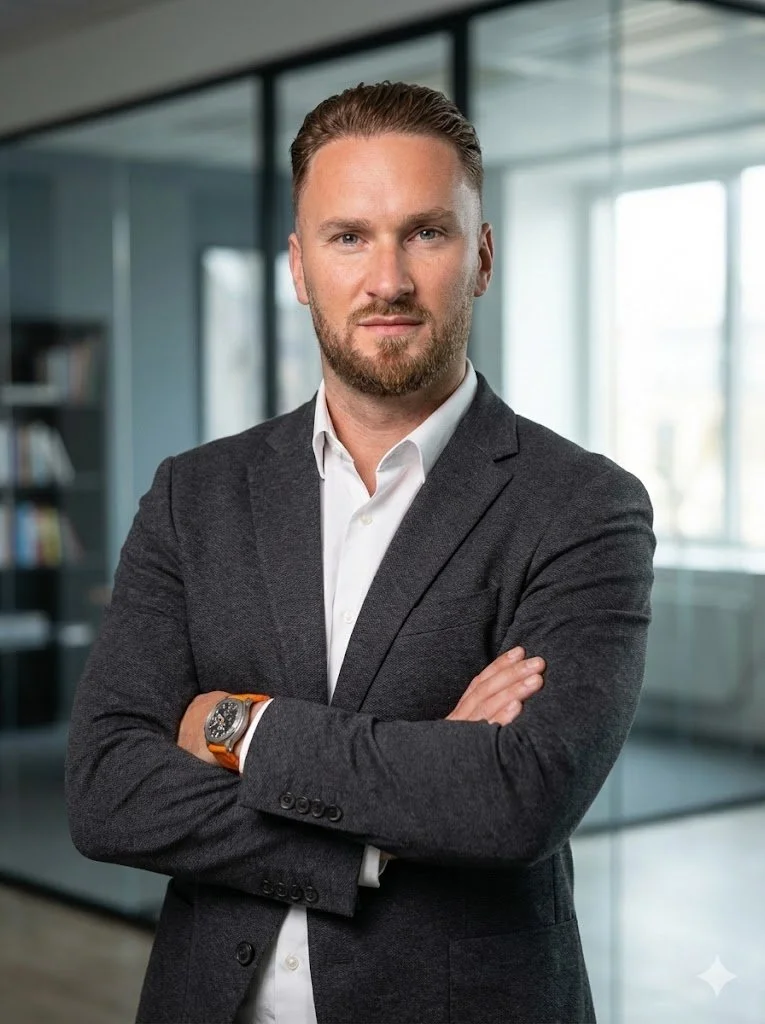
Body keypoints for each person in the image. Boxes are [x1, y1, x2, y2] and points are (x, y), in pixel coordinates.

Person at [66, 81, 654, 1024]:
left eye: (425, 232)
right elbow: (105, 790)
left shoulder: (582, 505)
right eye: (348, 237)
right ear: (299, 267)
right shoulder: (195, 494)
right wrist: (392, 816)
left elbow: (516, 800)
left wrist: (234, 728)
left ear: (482, 257)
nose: (387, 279)